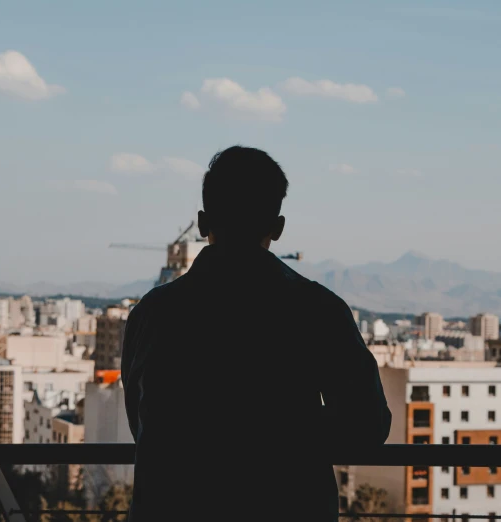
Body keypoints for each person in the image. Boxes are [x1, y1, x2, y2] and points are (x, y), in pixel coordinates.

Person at [121, 146, 391, 522]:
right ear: (277, 228)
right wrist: (285, 431)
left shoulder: (152, 313)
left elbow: (141, 419)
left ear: (201, 223)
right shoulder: (319, 311)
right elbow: (368, 426)